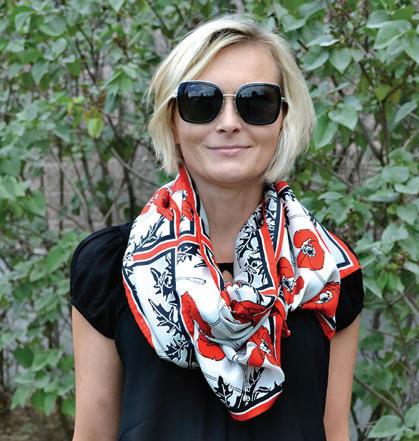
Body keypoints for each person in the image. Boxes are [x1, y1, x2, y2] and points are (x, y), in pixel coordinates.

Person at [70, 15, 364, 441]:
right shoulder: (108, 268)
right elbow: (93, 434)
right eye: (201, 101)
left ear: (282, 120)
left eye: (256, 101)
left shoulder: (328, 272)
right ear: (173, 122)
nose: (228, 122)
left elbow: (333, 432)